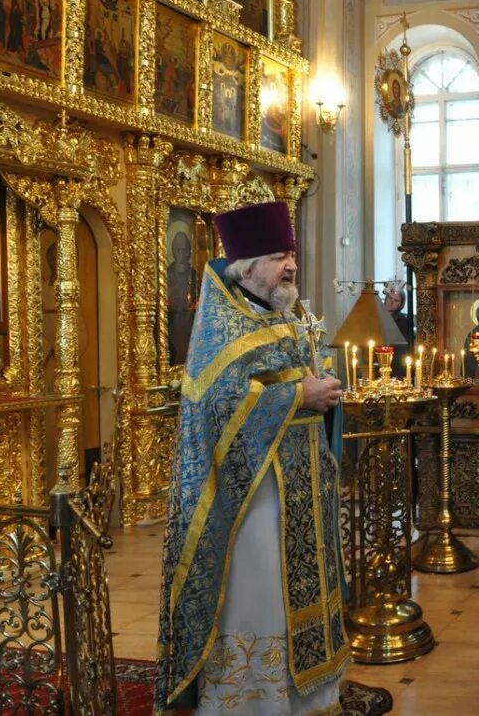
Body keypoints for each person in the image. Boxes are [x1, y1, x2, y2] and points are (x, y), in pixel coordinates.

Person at [156, 201, 348, 714]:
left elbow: (299, 378)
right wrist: (297, 397)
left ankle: (310, 701)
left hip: (303, 492)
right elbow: (216, 406)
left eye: (290, 253)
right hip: (251, 502)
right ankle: (256, 704)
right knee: (261, 600)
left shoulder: (289, 315)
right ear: (247, 266)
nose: (290, 265)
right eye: (277, 256)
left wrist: (321, 393)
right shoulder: (224, 327)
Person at [166, 230, 197, 364]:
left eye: (185, 250)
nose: (181, 254)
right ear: (173, 251)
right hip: (173, 321)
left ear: (189, 252)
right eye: (178, 250)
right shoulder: (167, 273)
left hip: (191, 320)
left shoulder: (194, 274)